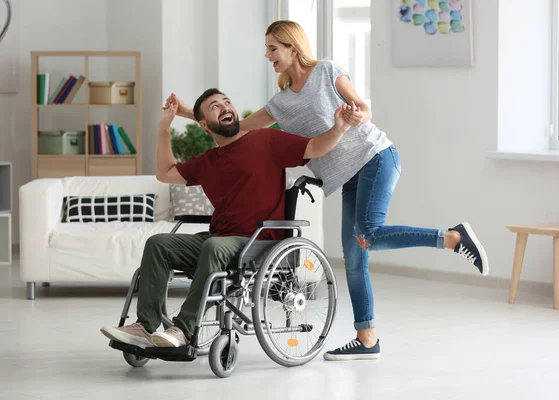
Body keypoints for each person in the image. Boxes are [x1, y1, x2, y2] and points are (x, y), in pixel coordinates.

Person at [166, 20, 489, 361]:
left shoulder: (326, 71)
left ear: (292, 47)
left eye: (272, 48)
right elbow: (236, 128)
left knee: (368, 235)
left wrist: (352, 116)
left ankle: (453, 237)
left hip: (375, 156)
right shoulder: (280, 104)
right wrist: (188, 112)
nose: (267, 55)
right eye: (267, 49)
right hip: (346, 176)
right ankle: (367, 339)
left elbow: (364, 109)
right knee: (353, 259)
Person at [100, 88, 350, 349]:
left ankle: (183, 330)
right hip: (219, 241)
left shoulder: (266, 141)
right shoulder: (209, 161)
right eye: (215, 107)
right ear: (205, 125)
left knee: (214, 246)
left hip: (257, 243)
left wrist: (339, 128)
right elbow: (165, 173)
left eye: (227, 102)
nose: (225, 107)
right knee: (158, 244)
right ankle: (144, 326)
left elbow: (315, 147)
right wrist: (164, 127)